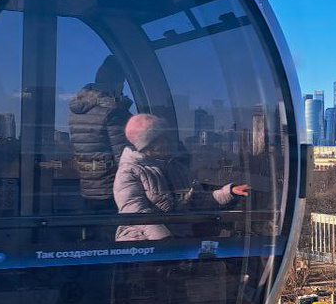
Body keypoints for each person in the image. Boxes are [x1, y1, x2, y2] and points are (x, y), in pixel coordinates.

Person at [112, 114, 249, 243]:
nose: (167, 142)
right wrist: (165, 242)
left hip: (178, 242)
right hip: (143, 245)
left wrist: (229, 192)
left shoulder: (177, 168)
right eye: (162, 139)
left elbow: (198, 200)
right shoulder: (129, 171)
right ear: (148, 144)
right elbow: (137, 214)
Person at [67, 55, 133, 219]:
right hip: (109, 187)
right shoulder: (112, 110)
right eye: (122, 83)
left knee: (93, 229)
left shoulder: (77, 109)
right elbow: (122, 155)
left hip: (88, 184)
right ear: (117, 82)